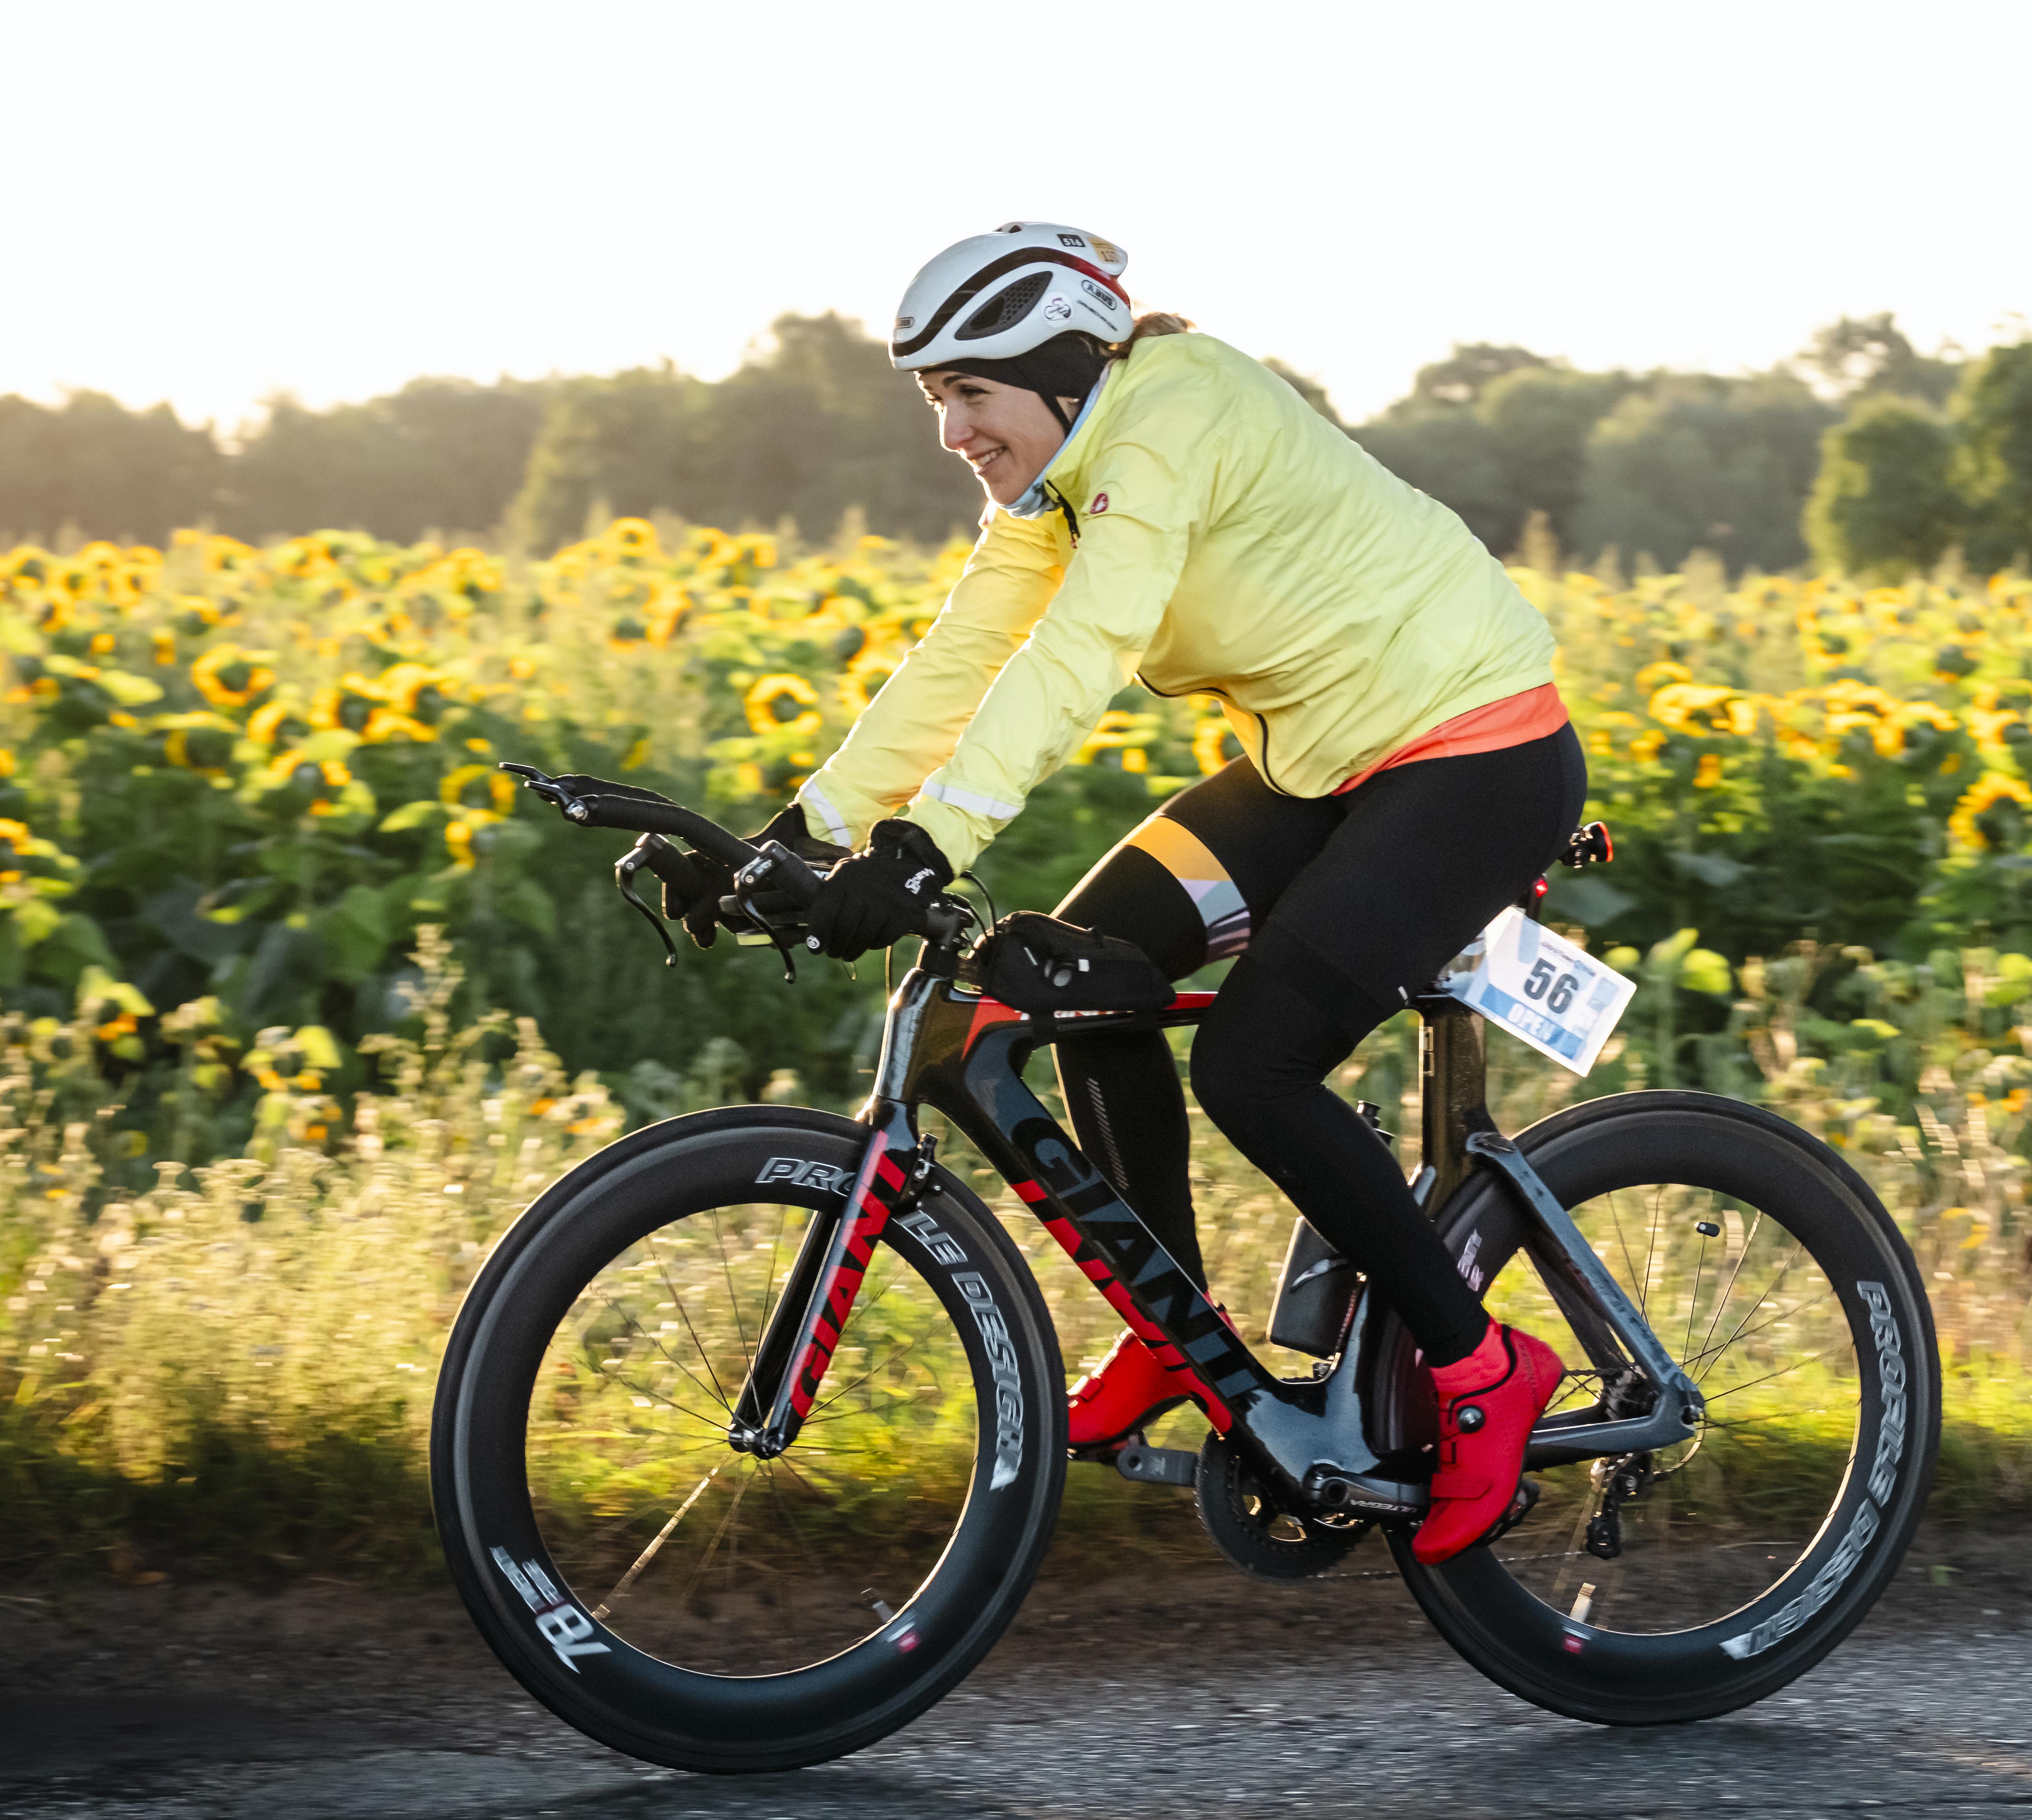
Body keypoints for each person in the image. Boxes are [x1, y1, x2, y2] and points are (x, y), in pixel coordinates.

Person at [668, 222, 1576, 1563]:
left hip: (1471, 763)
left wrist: (928, 848)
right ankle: (1173, 1328)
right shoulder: (1060, 479)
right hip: (1322, 764)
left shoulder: (1168, 418)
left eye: (971, 393)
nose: (952, 433)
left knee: (1254, 1066)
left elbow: (1082, 648)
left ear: (1059, 369)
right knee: (1083, 973)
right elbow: (964, 654)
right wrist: (804, 835)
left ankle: (1481, 1365)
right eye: (935, 401)